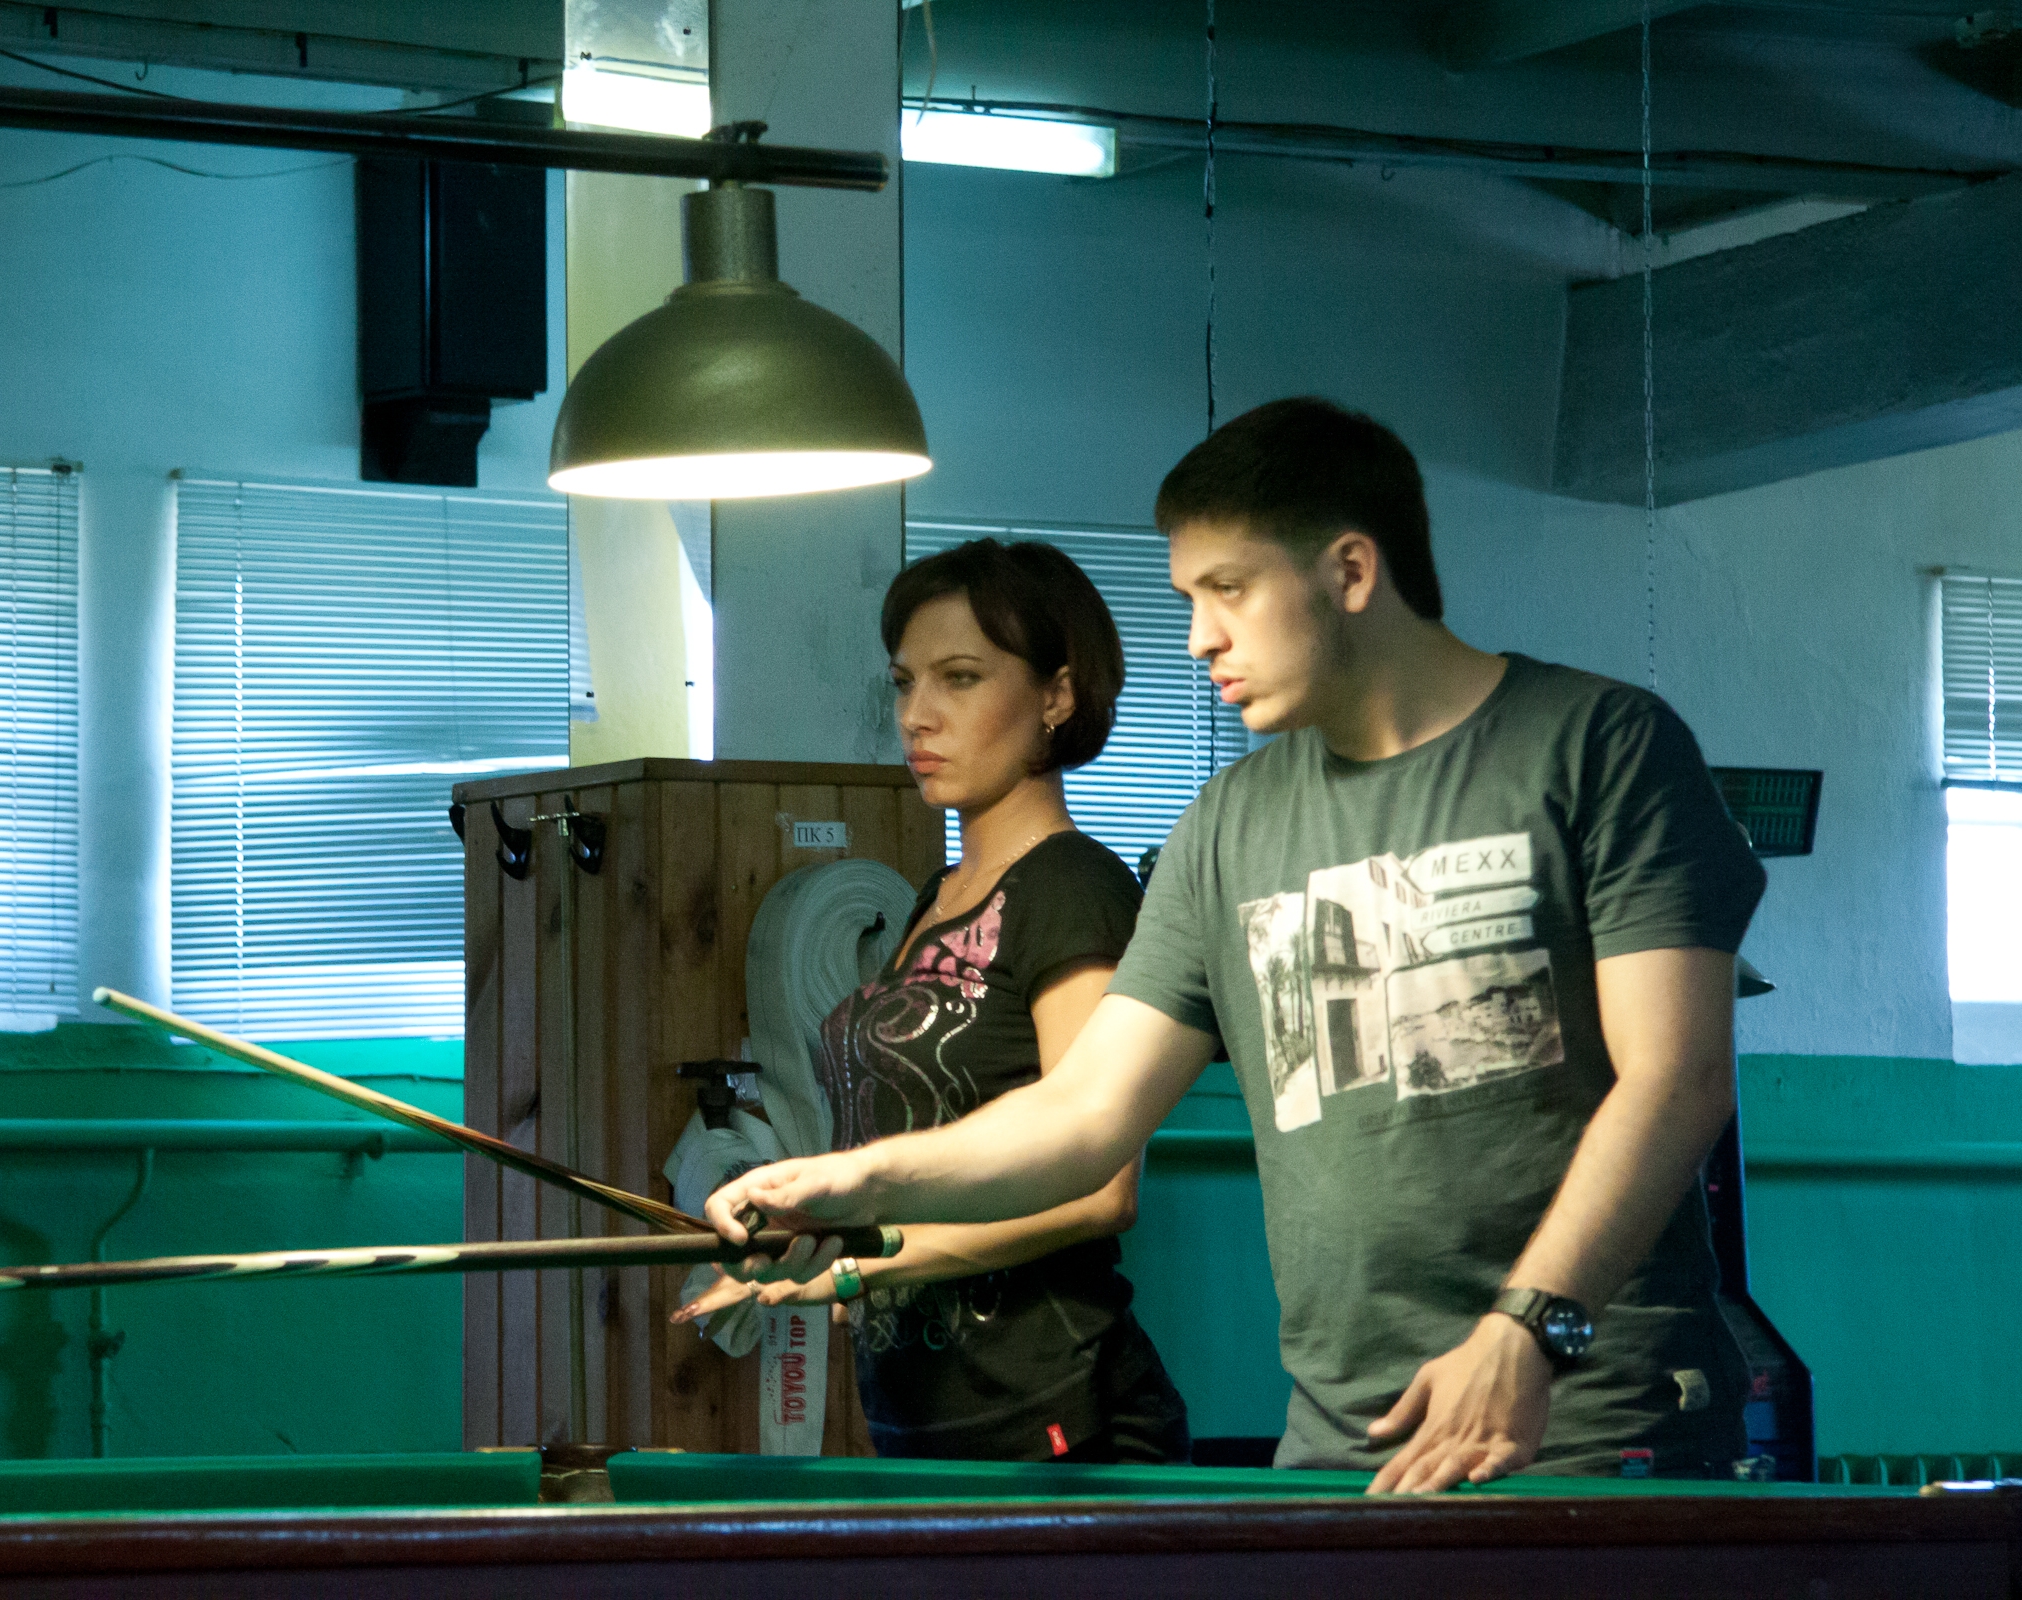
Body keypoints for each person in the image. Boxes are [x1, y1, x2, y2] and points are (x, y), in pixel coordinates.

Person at [708, 398, 1767, 1493]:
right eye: (1189, 600)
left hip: (1584, 1425)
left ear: (1350, 571)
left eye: (1230, 590)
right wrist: (850, 1180)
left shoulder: (1600, 746)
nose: (1199, 637)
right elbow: (1084, 1112)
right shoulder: (1225, 824)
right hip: (1347, 1442)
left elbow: (1677, 1077)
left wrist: (1530, 1329)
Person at [678, 538, 1190, 1464]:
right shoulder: (937, 897)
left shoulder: (1073, 886)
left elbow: (1102, 1189)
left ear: (1057, 696)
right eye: (905, 682)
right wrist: (816, 1240)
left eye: (960, 678)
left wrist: (857, 1268)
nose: (918, 715)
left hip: (1060, 1416)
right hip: (921, 1416)